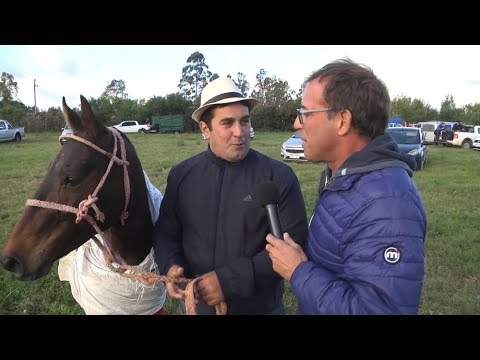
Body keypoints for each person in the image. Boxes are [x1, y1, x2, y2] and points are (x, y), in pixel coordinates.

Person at [265, 58, 427, 315]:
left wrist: (299, 270)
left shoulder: (386, 204)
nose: (297, 124)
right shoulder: (343, 176)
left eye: (305, 113)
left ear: (342, 120)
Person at [152, 76, 308, 315]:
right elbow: (166, 231)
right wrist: (171, 265)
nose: (240, 132)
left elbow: (294, 244)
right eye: (228, 123)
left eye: (244, 121)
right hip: (198, 307)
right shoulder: (182, 175)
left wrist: (227, 282)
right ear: (205, 129)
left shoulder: (278, 177)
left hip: (260, 309)